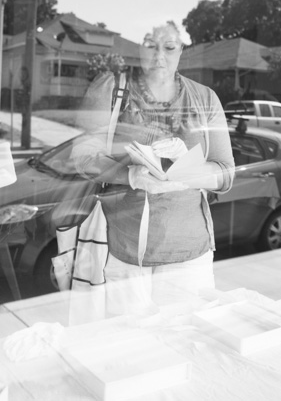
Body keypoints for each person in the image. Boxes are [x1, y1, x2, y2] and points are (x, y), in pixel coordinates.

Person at [73, 21, 234, 314]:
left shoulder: (204, 98)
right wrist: (129, 175)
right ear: (139, 49)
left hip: (188, 255)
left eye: (169, 47)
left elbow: (225, 174)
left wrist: (187, 164)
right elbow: (82, 156)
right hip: (123, 250)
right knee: (128, 339)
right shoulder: (112, 90)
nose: (160, 55)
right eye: (151, 46)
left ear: (181, 50)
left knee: (184, 334)